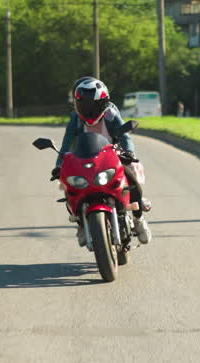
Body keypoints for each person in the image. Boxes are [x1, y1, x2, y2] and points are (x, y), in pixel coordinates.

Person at [51, 77, 152, 246]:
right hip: (84, 157)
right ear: (77, 104)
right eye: (84, 106)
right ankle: (81, 224)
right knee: (70, 186)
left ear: (104, 102)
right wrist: (59, 165)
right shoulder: (75, 118)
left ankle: (138, 219)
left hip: (112, 154)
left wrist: (129, 153)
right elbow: (66, 143)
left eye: (94, 106)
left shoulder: (111, 113)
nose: (89, 111)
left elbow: (124, 135)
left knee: (131, 179)